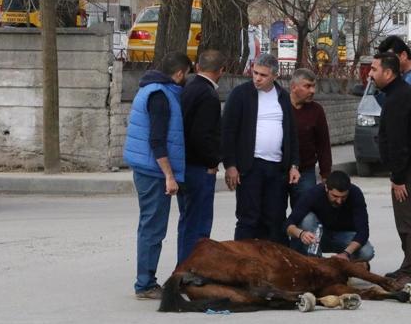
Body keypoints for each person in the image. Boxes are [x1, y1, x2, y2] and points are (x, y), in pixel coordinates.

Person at [123, 51, 192, 300]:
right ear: (179, 73)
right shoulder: (160, 96)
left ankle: (146, 281)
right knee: (152, 229)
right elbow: (157, 140)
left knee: (149, 226)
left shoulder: (153, 89)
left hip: (148, 169)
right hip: (153, 172)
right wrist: (169, 176)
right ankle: (145, 285)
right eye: (187, 75)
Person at [369, 52, 411, 288]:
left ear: (388, 73)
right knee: (410, 220)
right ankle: (410, 267)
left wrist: (398, 178)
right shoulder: (396, 94)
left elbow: (398, 143)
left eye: (374, 69)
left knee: (409, 222)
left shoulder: (399, 98)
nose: (370, 73)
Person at [222, 53, 300, 245]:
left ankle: (274, 265)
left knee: (275, 218)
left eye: (263, 75)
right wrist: (230, 165)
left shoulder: (282, 97)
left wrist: (294, 165)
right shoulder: (240, 94)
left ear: (274, 75)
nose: (257, 78)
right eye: (255, 72)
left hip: (277, 168)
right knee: (248, 218)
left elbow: (291, 134)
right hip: (250, 167)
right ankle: (242, 266)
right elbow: (227, 131)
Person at [178, 49, 226, 264]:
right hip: (199, 167)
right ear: (221, 71)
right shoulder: (208, 95)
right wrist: (212, 162)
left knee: (187, 220)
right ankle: (192, 269)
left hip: (183, 164)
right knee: (199, 223)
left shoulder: (187, 88)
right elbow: (202, 134)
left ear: (198, 66)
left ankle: (184, 264)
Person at [285, 171, 374, 262]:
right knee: (307, 219)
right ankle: (317, 262)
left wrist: (346, 253)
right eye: (335, 196)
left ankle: (345, 264)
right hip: (318, 237)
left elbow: (363, 231)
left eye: (343, 197)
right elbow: (289, 224)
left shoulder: (355, 193)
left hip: (344, 237)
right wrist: (301, 233)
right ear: (326, 188)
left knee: (367, 252)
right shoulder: (313, 194)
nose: (339, 201)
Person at [288, 68, 332, 208]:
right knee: (275, 215)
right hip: (279, 170)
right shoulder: (280, 107)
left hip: (305, 171)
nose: (312, 91)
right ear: (294, 87)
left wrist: (326, 174)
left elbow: (323, 144)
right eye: (307, 86)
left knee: (306, 214)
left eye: (313, 86)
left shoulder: (316, 110)